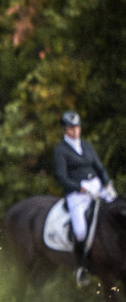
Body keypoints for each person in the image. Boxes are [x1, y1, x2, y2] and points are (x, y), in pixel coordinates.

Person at [54, 110, 114, 285]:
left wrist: (107, 183)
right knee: (80, 231)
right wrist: (78, 187)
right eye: (71, 129)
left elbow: (99, 166)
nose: (75, 131)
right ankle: (81, 267)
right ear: (65, 130)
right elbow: (61, 176)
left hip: (96, 187)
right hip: (77, 193)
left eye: (77, 127)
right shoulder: (61, 150)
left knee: (117, 213)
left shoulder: (86, 145)